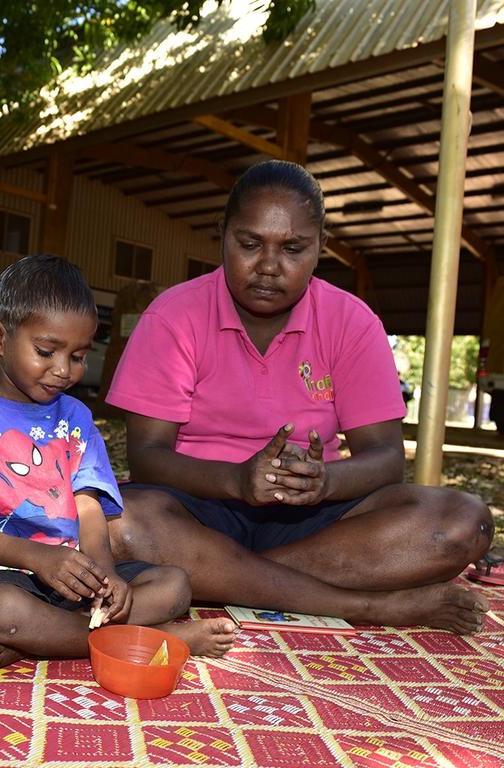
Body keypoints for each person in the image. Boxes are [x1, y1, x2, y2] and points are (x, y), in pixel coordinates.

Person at [106, 160, 492, 634]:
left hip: (315, 519)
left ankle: (221, 574)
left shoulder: (351, 321)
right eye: (249, 244)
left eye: (293, 248)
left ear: (320, 247)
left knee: (463, 522)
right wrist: (236, 480)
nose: (268, 266)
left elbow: (387, 459)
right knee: (117, 523)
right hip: (197, 504)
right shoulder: (173, 316)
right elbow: (147, 458)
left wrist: (325, 482)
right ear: (221, 233)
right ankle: (367, 606)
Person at [0, 254, 236, 677]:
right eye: (46, 351)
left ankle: (42, 640)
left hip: (70, 577)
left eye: (79, 355)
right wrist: (37, 559)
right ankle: (157, 639)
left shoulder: (76, 418)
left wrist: (105, 577)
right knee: (3, 611)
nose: (63, 370)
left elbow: (87, 506)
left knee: (174, 585)